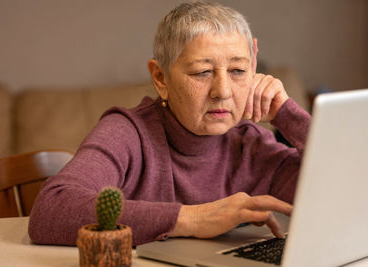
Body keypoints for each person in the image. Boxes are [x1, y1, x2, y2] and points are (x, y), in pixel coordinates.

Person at [28, 1, 310, 246]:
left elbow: (345, 199)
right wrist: (193, 219)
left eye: (238, 70)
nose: (223, 91)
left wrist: (288, 115)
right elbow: (50, 211)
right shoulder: (127, 133)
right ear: (161, 79)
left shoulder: (254, 145)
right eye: (202, 72)